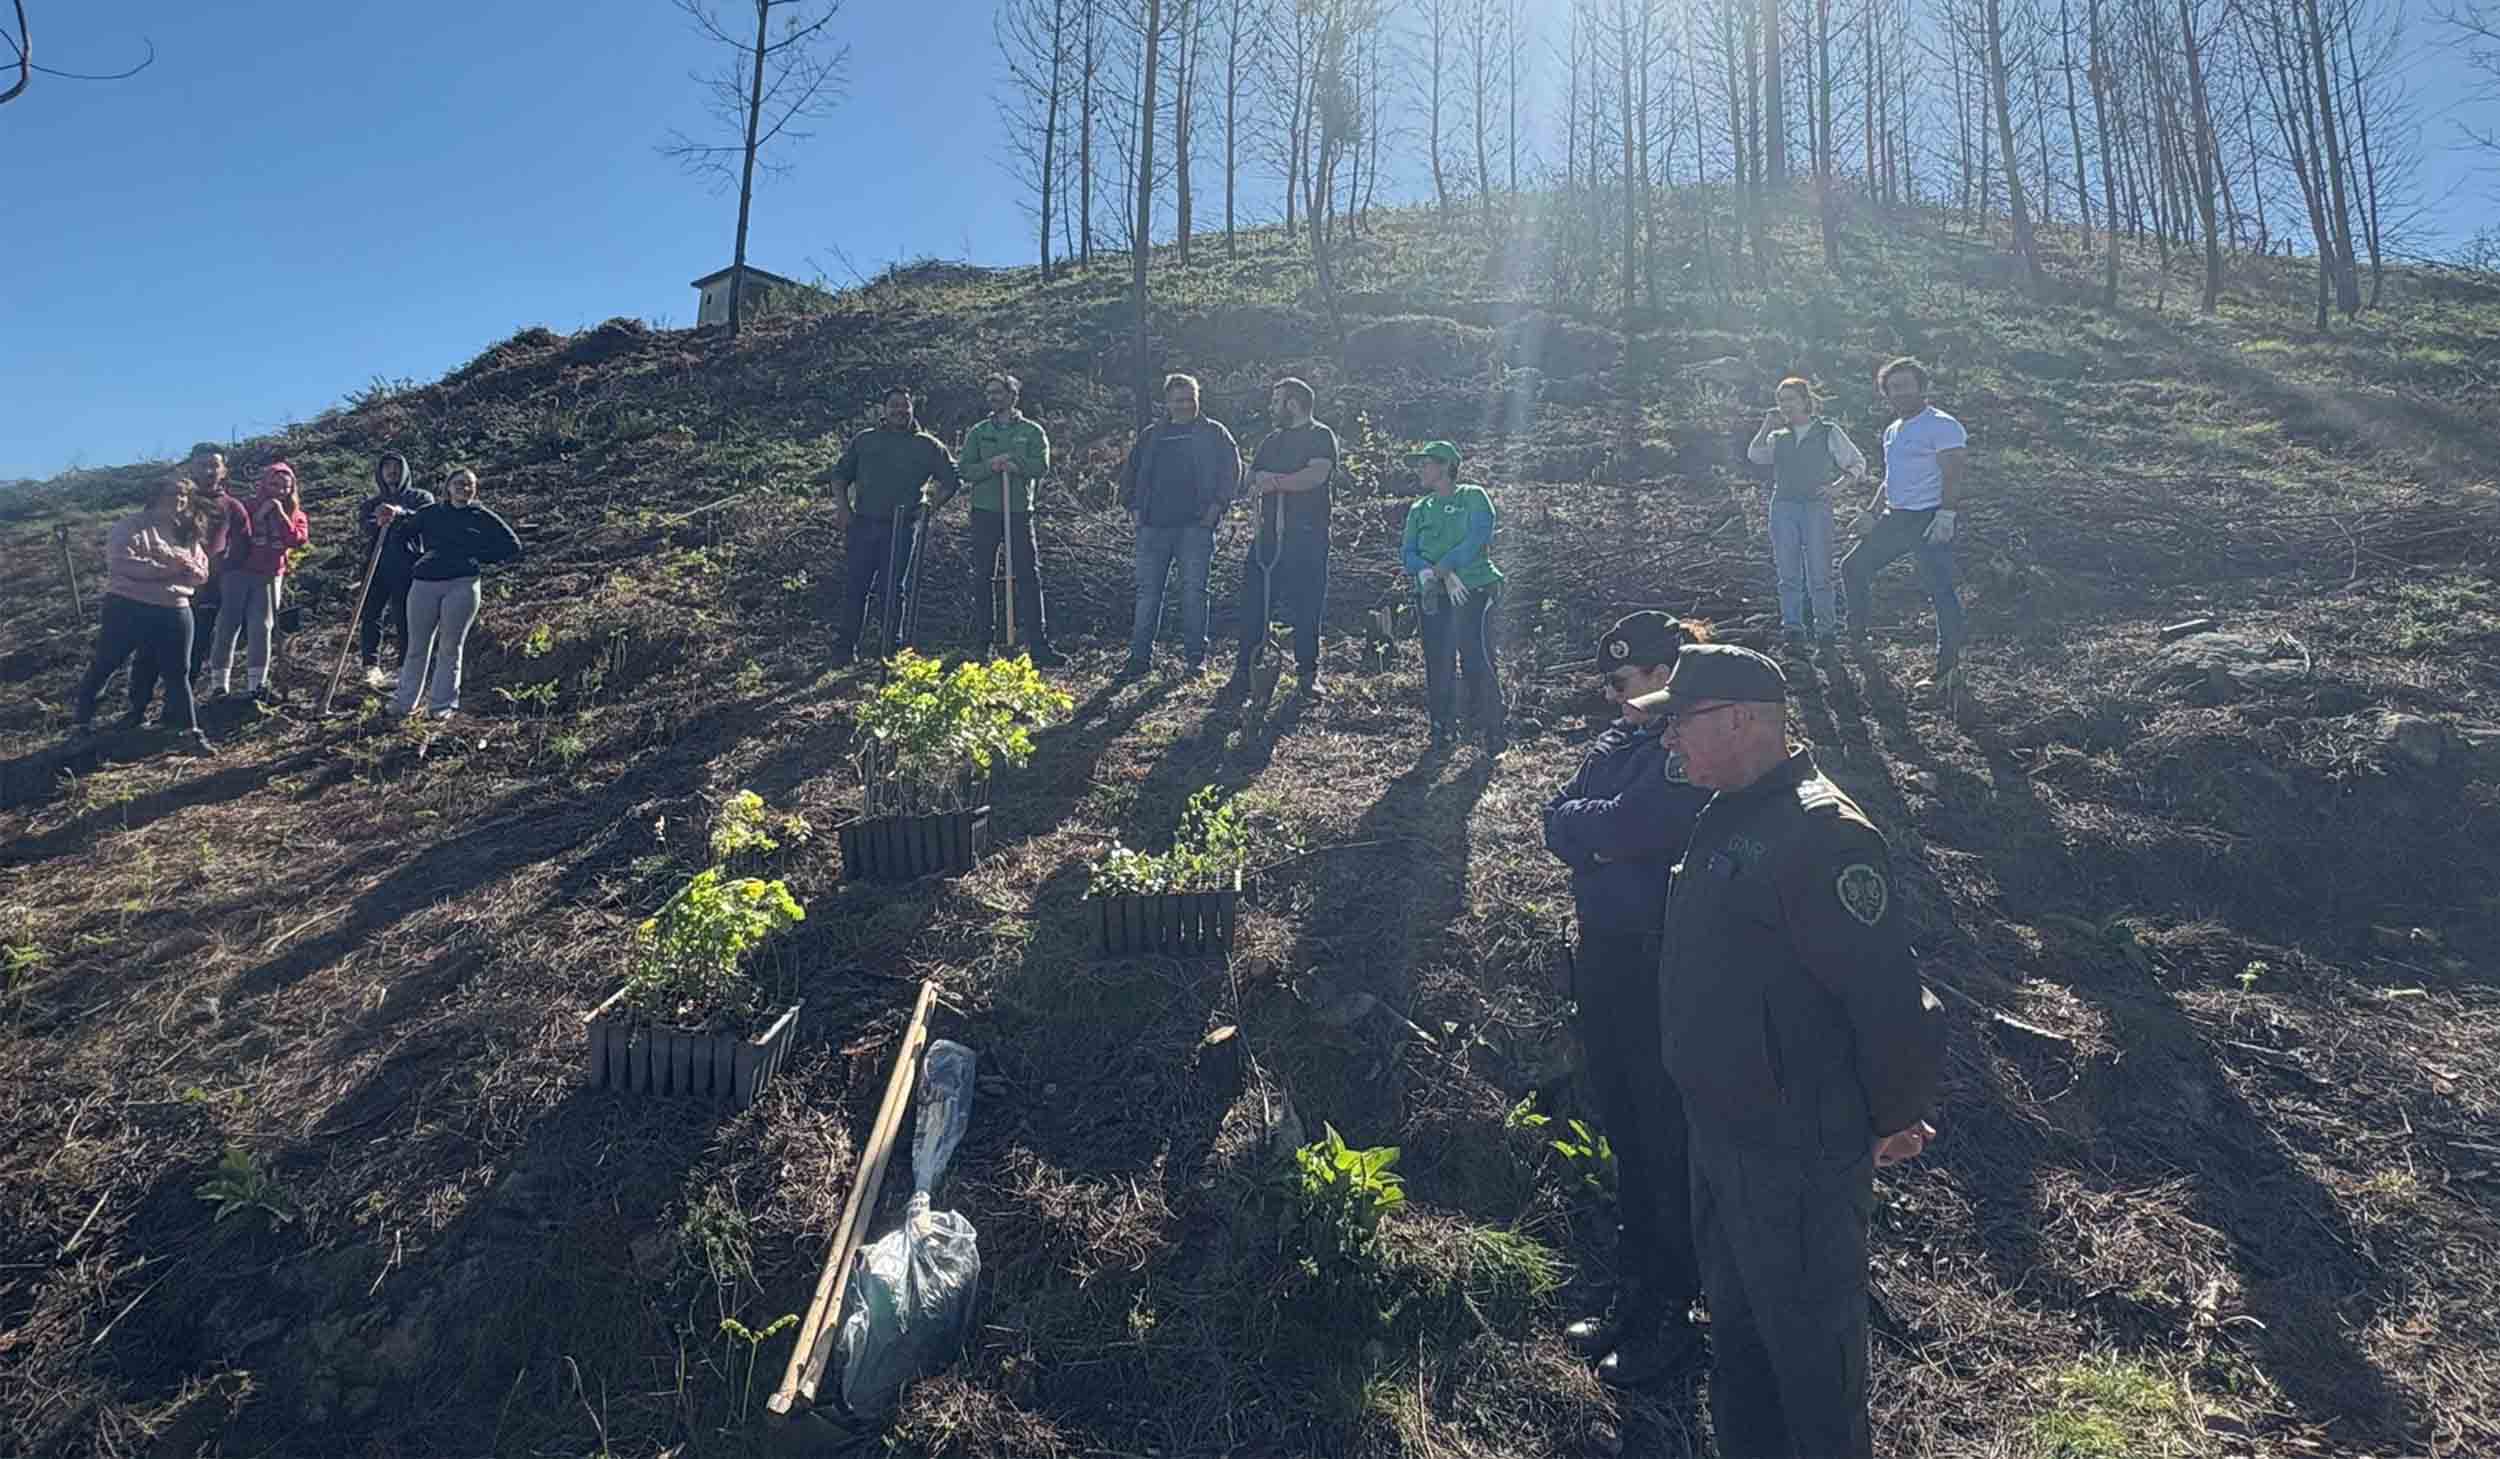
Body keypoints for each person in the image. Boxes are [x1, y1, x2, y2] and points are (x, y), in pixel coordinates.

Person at [1633, 644, 1946, 1459]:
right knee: (1740, 1348)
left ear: (1742, 720)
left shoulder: (1822, 834)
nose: (1669, 742)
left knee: (1812, 1367)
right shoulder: (1731, 810)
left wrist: (1892, 1114)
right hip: (1724, 1138)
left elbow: (1884, 998)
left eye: (1680, 724)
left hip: (1796, 1155)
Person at [1540, 612, 1715, 1386]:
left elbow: (1649, 821)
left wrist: (1600, 834)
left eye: (1623, 683)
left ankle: (1673, 1310)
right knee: (1622, 1130)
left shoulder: (1685, 747)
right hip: (1605, 962)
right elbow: (1559, 818)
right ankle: (1635, 1293)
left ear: (1663, 672)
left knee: (1662, 1134)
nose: (1615, 701)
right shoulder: (1620, 743)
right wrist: (1601, 834)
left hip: (1659, 966)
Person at [1841, 357, 1967, 695]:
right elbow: (1891, 478)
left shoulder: (1942, 425)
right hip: (1895, 517)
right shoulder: (1893, 430)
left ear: (1921, 387)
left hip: (1929, 517)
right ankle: (1857, 639)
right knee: (1853, 567)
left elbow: (1954, 471)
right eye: (1892, 388)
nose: (1899, 394)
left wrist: (1947, 514)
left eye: (1905, 386)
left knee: (1940, 590)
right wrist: (1870, 512)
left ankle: (1947, 669)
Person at [69, 474, 216, 755]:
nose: (179, 500)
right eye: (173, 494)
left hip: (175, 608)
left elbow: (201, 570)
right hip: (129, 605)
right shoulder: (131, 527)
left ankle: (188, 731)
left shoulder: (186, 531)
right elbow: (123, 564)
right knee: (107, 662)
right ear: (156, 496)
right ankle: (81, 723)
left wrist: (192, 572)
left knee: (178, 671)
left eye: (184, 496)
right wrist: (170, 569)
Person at [1220, 377, 1339, 702]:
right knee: (1255, 603)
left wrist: (1277, 483)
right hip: (1268, 536)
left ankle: (1307, 674)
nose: (1271, 408)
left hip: (1308, 536)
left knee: (1307, 606)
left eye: (1276, 401)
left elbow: (1316, 475)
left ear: (1293, 404)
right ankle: (1246, 669)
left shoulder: (1320, 436)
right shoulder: (1271, 441)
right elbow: (1253, 477)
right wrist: (1263, 481)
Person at [1117, 373, 1242, 679]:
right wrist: (1133, 509)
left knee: (1195, 593)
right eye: (1178, 400)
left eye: (1190, 399)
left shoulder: (1214, 433)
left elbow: (1232, 471)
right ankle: (1139, 659)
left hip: (1195, 528)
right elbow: (1130, 474)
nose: (1185, 405)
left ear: (1198, 399)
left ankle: (1195, 660)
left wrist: (1216, 509)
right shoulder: (1151, 435)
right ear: (1167, 403)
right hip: (1153, 527)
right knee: (1148, 594)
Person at [830, 386, 960, 667]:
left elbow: (952, 479)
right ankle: (844, 650)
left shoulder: (927, 445)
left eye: (905, 406)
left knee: (893, 590)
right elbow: (840, 475)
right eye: (894, 406)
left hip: (901, 527)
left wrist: (930, 507)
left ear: (912, 409)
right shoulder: (865, 441)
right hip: (863, 524)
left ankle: (891, 652)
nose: (900, 410)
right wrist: (843, 509)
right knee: (855, 587)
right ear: (884, 410)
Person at [381, 467, 524, 720]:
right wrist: (415, 561)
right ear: (448, 487)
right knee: (417, 646)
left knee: (451, 646)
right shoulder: (431, 513)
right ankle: (404, 703)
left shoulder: (481, 516)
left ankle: (441, 705)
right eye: (459, 483)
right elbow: (400, 535)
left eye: (470, 484)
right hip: (424, 584)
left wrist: (475, 556)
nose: (464, 488)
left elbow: (512, 546)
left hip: (463, 585)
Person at [944, 371, 1060, 665]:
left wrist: (1015, 462)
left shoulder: (1033, 431)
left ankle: (1038, 645)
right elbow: (965, 470)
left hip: (1020, 512)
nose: (993, 398)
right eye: (990, 393)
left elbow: (1040, 466)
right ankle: (983, 643)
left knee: (1028, 575)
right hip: (984, 513)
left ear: (1012, 396)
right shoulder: (979, 432)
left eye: (998, 392)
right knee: (982, 575)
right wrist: (991, 466)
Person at [1747, 377, 1869, 646]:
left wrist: (1838, 487)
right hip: (1783, 506)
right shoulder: (1777, 436)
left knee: (1820, 571)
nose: (1785, 405)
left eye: (1791, 398)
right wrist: (1767, 423)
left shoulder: (1827, 430)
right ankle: (1793, 628)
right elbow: (1755, 455)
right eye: (1781, 400)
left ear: (1805, 400)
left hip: (1816, 507)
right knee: (1788, 572)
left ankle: (1826, 631)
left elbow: (1857, 462)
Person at [1398, 442, 1504, 749]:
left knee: (1474, 653)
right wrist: (1431, 572)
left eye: (1425, 463)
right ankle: (1442, 727)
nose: (1420, 470)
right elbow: (1407, 553)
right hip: (1433, 590)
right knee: (1437, 659)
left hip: (1473, 587)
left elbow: (1477, 537)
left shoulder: (1473, 497)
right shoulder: (1419, 509)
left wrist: (1447, 565)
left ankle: (1490, 727)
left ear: (1445, 466)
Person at [204, 462, 311, 703]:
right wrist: (261, 514)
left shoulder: (297, 513)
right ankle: (219, 685)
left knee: (262, 627)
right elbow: (238, 534)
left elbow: (297, 540)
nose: (279, 490)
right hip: (238, 572)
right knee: (228, 624)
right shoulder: (247, 506)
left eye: (285, 486)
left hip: (270, 574)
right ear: (264, 483)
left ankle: (257, 685)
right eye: (274, 484)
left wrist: (281, 514)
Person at [355, 451, 436, 688]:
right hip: (376, 564)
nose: (392, 471)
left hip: (408, 564)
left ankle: (405, 667)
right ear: (380, 473)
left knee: (404, 616)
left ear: (405, 470)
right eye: (387, 467)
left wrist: (400, 514)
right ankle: (371, 666)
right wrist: (377, 521)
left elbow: (427, 519)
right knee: (371, 615)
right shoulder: (371, 504)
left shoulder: (420, 497)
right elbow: (365, 526)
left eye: (396, 467)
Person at [188, 450, 251, 681]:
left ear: (223, 471)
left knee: (199, 643)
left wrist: (223, 568)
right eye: (202, 465)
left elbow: (244, 542)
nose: (208, 471)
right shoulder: (177, 501)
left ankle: (183, 705)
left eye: (214, 465)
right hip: (171, 586)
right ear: (191, 469)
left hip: (212, 588)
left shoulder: (232, 506)